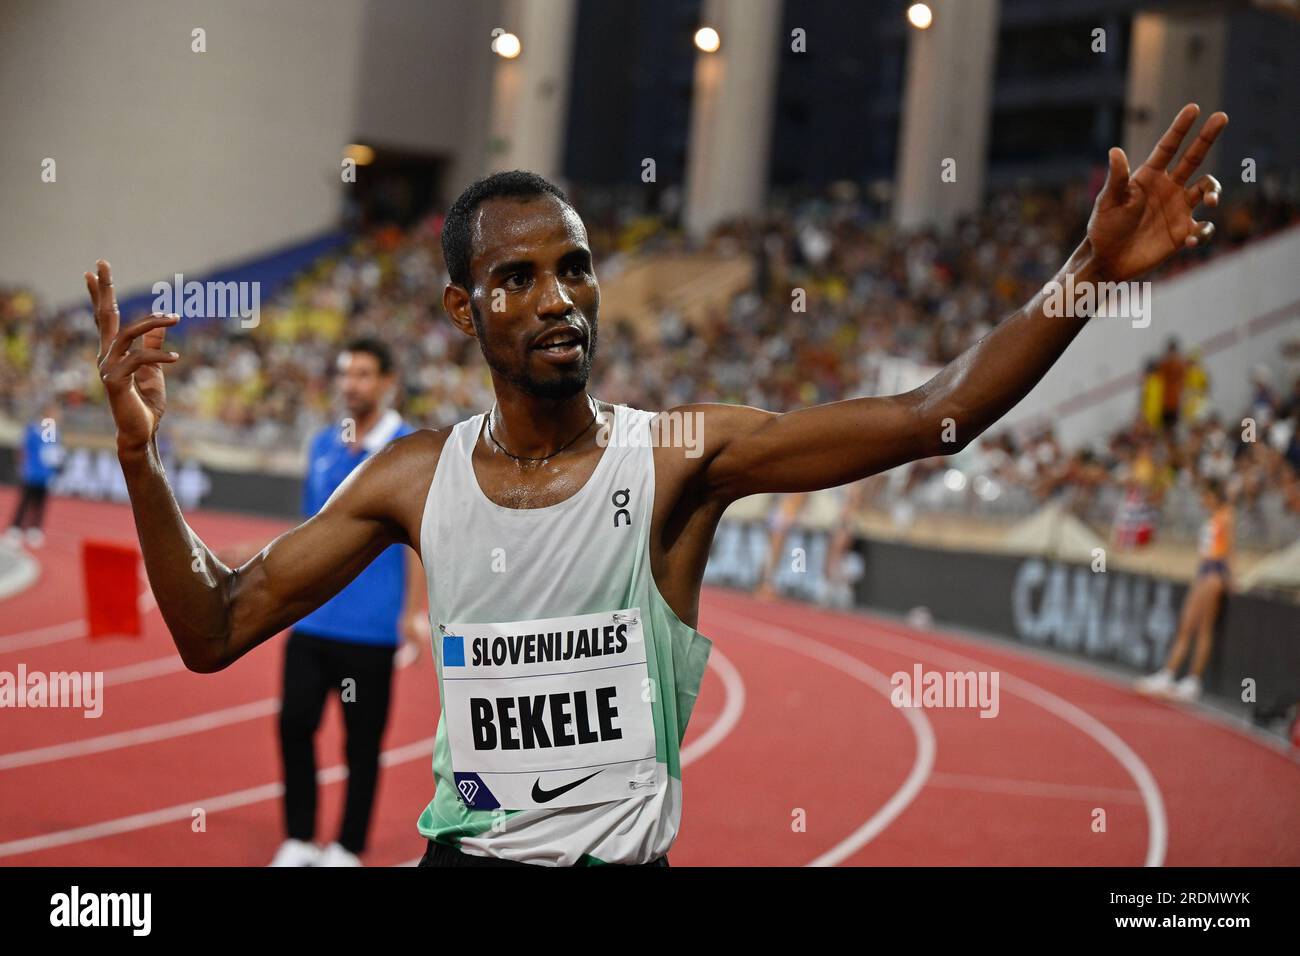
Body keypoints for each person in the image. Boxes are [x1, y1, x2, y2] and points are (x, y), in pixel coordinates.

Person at [85, 103, 1227, 866]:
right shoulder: (412, 473)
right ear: (461, 308)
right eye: (518, 276)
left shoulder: (676, 452)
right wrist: (140, 457)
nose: (557, 299)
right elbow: (215, 624)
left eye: (575, 268)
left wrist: (1084, 274)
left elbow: (934, 414)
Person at [269, 338, 425, 867]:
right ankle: (298, 837)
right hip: (311, 622)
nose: (350, 384)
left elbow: (420, 540)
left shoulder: (410, 450)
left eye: (362, 374)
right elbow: (307, 534)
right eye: (345, 373)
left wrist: (414, 615)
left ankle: (348, 847)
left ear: (387, 382)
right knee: (293, 725)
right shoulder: (321, 444)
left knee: (360, 745)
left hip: (371, 629)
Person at [1136, 479, 1234, 702]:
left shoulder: (1227, 514)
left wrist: (1231, 578)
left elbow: (1230, 549)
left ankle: (1193, 680)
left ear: (1214, 495)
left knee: (1204, 627)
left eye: (1205, 496)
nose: (1202, 500)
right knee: (1186, 624)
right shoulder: (1212, 517)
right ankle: (1168, 673)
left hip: (1215, 572)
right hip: (1203, 571)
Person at [5, 399, 65, 549]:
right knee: (25, 501)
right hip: (32, 471)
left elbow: (53, 451)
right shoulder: (35, 427)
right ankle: (16, 528)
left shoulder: (50, 429)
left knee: (40, 503)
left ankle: (34, 529)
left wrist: (57, 467)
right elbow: (26, 448)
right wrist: (22, 465)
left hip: (44, 474)